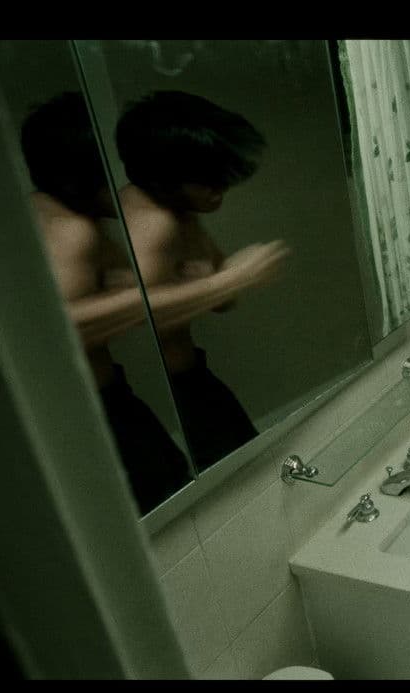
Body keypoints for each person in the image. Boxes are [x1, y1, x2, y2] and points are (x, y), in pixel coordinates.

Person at [19, 91, 192, 514]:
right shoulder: (70, 230)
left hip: (84, 408)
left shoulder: (43, 214)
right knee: (172, 497)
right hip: (93, 410)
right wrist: (228, 279)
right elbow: (63, 327)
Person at [113, 90, 290, 470]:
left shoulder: (180, 208)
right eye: (207, 179)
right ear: (165, 177)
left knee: (251, 464)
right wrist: (233, 278)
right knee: (246, 475)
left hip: (192, 376)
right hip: (170, 392)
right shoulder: (152, 223)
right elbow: (140, 320)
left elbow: (222, 300)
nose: (219, 188)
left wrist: (220, 281)